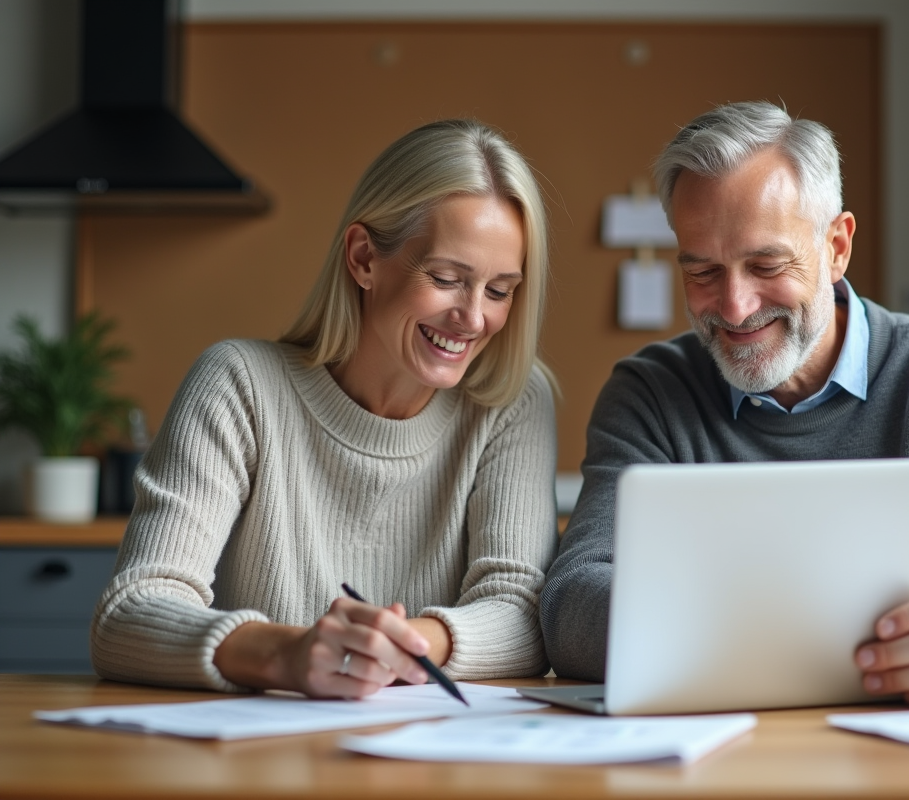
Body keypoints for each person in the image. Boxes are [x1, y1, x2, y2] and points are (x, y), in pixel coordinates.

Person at [540, 101, 909, 707]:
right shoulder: (649, 394)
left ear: (837, 247)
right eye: (703, 273)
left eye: (766, 264)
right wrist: (767, 622)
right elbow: (568, 609)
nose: (736, 306)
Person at [92, 119, 559, 698]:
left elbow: (524, 615)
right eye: (445, 278)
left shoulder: (512, 401)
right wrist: (287, 656)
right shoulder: (239, 385)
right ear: (364, 258)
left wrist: (396, 644)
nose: (472, 318)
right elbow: (130, 614)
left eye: (499, 290)